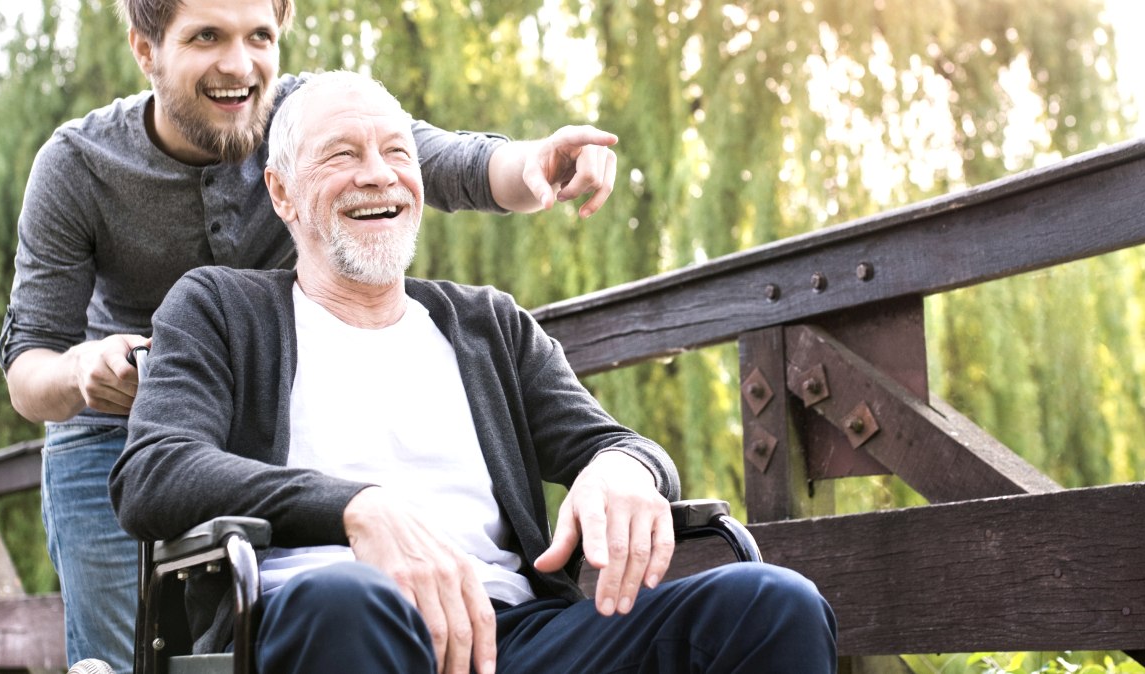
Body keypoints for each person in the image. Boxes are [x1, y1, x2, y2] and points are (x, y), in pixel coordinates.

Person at [111, 70, 837, 674]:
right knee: (349, 600)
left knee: (775, 604)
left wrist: (628, 468)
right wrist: (357, 507)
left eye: (398, 152)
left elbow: (613, 443)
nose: (378, 175)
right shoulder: (219, 308)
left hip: (509, 638)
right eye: (341, 156)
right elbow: (155, 473)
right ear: (281, 193)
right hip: (321, 627)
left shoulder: (487, 324)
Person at [0, 0, 622, 669]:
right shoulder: (77, 165)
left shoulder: (305, 119)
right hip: (113, 431)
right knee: (129, 658)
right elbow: (27, 370)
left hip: (264, 410)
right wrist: (80, 370)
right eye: (207, 36)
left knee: (303, 601)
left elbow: (446, 161)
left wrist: (537, 167)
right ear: (146, 51)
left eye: (259, 36)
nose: (239, 64)